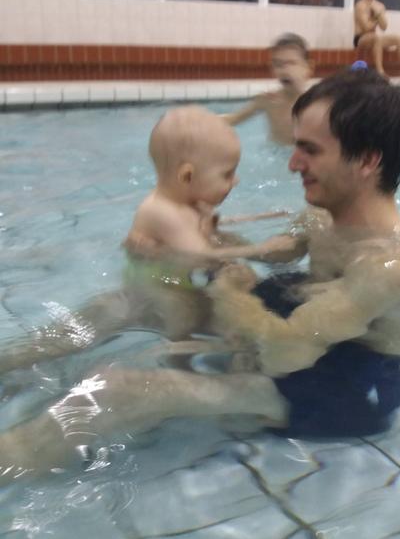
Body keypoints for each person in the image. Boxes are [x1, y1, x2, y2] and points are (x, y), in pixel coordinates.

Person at [0, 69, 400, 482]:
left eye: (309, 150)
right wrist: (190, 246)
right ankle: (9, 364)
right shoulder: (320, 219)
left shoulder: (399, 263)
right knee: (130, 303)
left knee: (121, 389)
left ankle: (11, 457)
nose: (292, 163)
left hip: (345, 383)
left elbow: (286, 352)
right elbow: (269, 253)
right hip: (302, 324)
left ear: (367, 160)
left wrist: (229, 291)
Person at [0, 106, 290, 376]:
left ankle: (188, 365)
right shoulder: (161, 211)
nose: (235, 181)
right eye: (227, 174)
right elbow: (200, 256)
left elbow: (207, 227)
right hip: (148, 297)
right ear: (187, 175)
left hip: (175, 288)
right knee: (60, 345)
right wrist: (260, 249)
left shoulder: (190, 201)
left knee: (221, 320)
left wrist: (254, 218)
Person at [222, 33, 313, 145]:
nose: (284, 70)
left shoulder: (315, 105)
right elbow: (233, 119)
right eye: (278, 64)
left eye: (291, 63)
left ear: (308, 67)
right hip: (273, 153)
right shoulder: (268, 101)